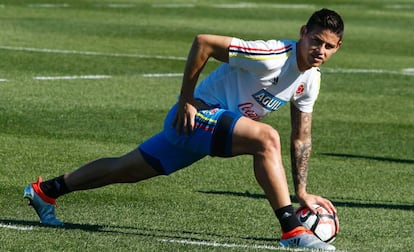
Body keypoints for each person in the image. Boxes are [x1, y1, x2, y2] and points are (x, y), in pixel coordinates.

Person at [23, 8, 343, 250]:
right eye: (315, 40)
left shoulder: (310, 81)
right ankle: (291, 231)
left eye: (329, 46)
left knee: (124, 169)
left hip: (207, 130)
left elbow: (301, 137)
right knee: (266, 138)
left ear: (337, 48)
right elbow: (203, 42)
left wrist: (302, 191)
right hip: (197, 117)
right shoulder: (272, 56)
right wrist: (186, 98)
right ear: (303, 33)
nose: (320, 50)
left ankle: (46, 191)